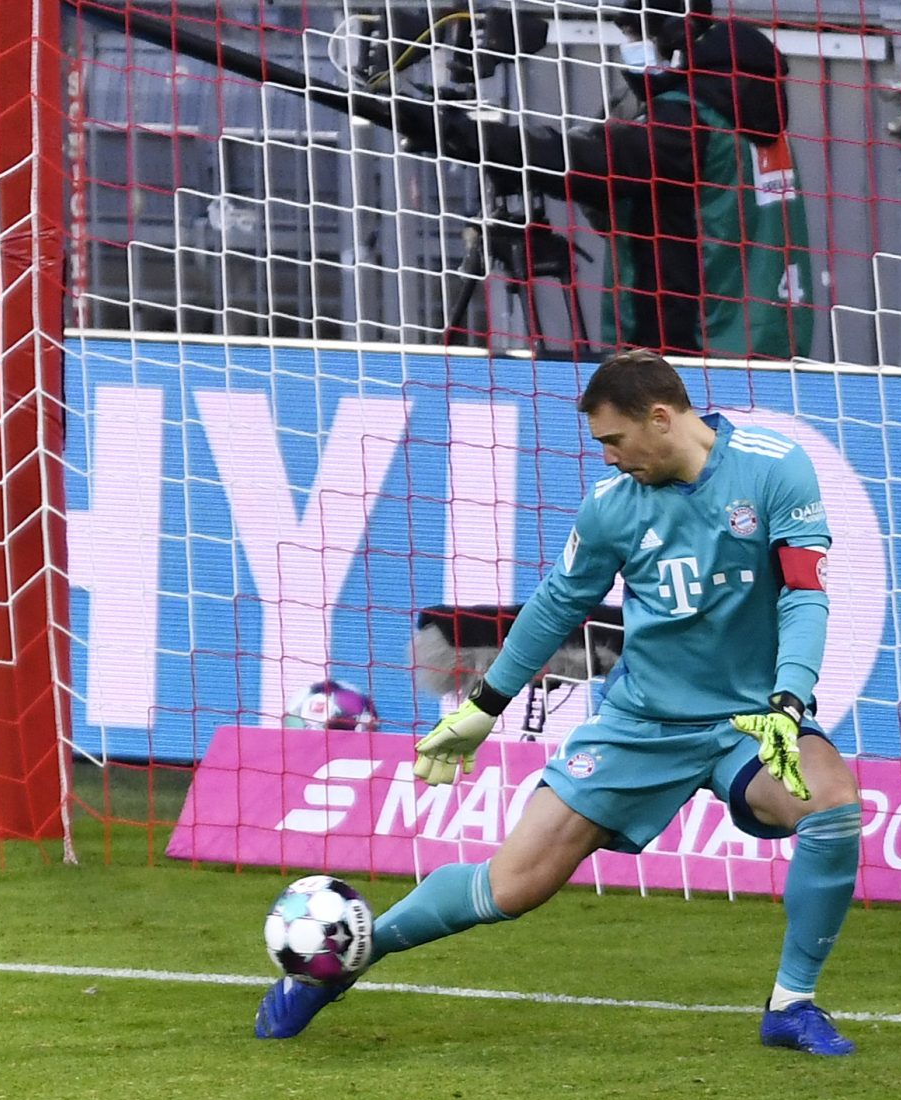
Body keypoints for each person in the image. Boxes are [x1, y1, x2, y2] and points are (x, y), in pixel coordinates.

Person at [255, 350, 864, 1053]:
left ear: (660, 418)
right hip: (643, 724)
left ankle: (791, 1003)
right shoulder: (612, 508)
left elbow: (805, 596)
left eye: (613, 439)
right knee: (513, 885)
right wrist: (482, 708)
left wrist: (789, 698)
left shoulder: (774, 467)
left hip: (753, 720)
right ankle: (346, 963)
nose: (607, 458)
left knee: (833, 803)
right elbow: (552, 609)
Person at [420, 2, 816, 357]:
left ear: (672, 37)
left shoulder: (686, 122)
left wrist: (459, 133)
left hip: (693, 352)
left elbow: (583, 165)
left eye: (632, 33)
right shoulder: (751, 108)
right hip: (769, 339)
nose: (629, 47)